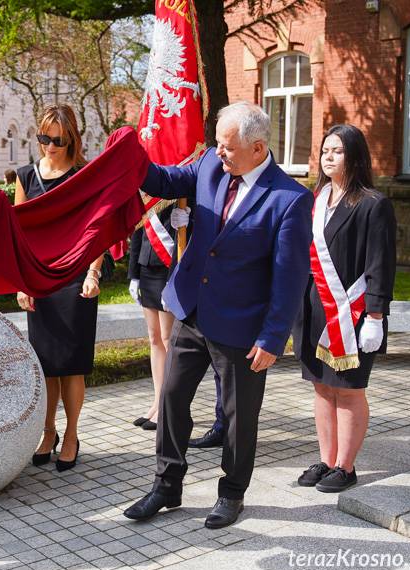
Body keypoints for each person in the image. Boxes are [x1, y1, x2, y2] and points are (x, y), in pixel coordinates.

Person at [123, 102, 313, 529]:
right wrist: (129, 150)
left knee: (238, 418)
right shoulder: (210, 162)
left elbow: (290, 278)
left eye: (227, 146)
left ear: (258, 147)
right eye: (218, 144)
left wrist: (272, 338)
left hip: (243, 327)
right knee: (171, 398)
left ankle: (231, 493)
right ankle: (166, 485)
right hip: (192, 312)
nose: (218, 152)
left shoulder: (290, 200)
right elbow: (164, 179)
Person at [293, 125, 396, 493]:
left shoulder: (373, 203)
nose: (328, 157)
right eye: (324, 151)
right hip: (314, 310)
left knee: (349, 390)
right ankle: (326, 459)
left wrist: (376, 316)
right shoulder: (315, 200)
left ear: (354, 155)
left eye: (337, 150)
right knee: (322, 388)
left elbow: (380, 263)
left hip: (352, 315)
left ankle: (346, 466)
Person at [15, 104, 104, 473]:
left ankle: (71, 435)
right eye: (44, 138)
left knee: (72, 366)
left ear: (71, 140)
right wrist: (23, 282)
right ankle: (48, 432)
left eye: (57, 140)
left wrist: (94, 273)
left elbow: (97, 229)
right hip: (39, 279)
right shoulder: (25, 176)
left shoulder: (84, 176)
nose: (49, 146)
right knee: (47, 365)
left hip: (76, 278)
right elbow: (19, 235)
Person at [127, 200, 188, 431]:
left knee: (167, 338)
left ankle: (168, 404)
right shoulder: (149, 191)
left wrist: (175, 278)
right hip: (147, 267)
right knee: (154, 339)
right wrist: (133, 275)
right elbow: (138, 230)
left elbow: (186, 237)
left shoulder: (182, 187)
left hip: (169, 268)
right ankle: (157, 400)